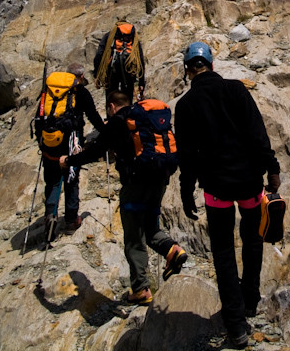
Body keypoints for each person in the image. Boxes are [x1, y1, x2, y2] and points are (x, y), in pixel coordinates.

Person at [174, 41, 281, 349]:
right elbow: (256, 132)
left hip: (216, 189)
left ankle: (236, 326)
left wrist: (186, 190)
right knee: (253, 238)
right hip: (248, 182)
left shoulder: (185, 105)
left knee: (222, 252)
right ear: (212, 65)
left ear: (188, 70)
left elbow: (187, 156)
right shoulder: (236, 90)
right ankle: (250, 299)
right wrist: (271, 168)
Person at [61, 90, 188, 305]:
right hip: (159, 180)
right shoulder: (144, 119)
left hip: (135, 184)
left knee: (133, 237)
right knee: (150, 228)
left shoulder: (118, 122)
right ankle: (172, 249)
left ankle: (140, 289)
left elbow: (95, 152)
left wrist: (69, 161)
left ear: (111, 106)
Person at [36, 63, 104, 242]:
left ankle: (50, 214)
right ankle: (71, 220)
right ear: (80, 77)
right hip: (71, 142)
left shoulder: (49, 91)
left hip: (49, 143)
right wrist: (105, 131)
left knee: (52, 180)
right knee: (71, 178)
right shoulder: (80, 91)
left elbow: (39, 117)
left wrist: (41, 143)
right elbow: (92, 115)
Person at [93, 21, 146, 104]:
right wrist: (141, 82)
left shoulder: (109, 37)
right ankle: (127, 114)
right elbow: (140, 61)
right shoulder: (133, 39)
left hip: (111, 73)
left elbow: (99, 56)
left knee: (111, 96)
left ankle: (111, 114)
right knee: (127, 97)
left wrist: (97, 75)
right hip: (128, 73)